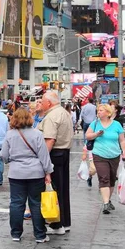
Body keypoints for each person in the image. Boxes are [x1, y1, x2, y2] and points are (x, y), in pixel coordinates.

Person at [1, 109, 53, 243]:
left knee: (16, 203)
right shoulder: (37, 134)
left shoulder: (9, 135)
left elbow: (4, 155)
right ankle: (40, 235)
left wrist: (10, 161)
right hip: (35, 173)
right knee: (36, 203)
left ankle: (16, 233)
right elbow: (44, 155)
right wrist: (48, 172)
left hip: (16, 173)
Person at [37, 91, 73, 234]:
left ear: (49, 103)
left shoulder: (52, 116)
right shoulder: (63, 112)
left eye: (43, 101)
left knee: (53, 188)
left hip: (55, 153)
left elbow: (50, 140)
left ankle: (56, 224)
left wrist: (43, 160)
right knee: (63, 188)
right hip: (64, 152)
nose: (41, 103)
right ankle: (65, 222)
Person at [85, 104, 125, 214]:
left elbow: (122, 140)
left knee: (112, 178)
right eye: (98, 110)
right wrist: (96, 134)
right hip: (99, 154)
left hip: (114, 155)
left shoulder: (117, 125)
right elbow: (87, 136)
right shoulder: (95, 124)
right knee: (104, 178)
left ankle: (108, 200)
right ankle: (105, 203)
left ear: (108, 113)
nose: (98, 112)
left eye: (101, 110)